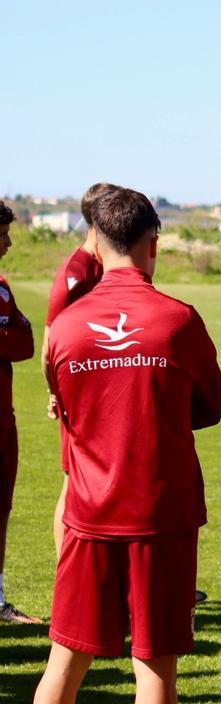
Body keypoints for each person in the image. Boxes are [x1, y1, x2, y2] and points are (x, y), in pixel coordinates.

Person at [34, 188, 221, 703]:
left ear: (95, 246)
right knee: (155, 670)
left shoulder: (67, 326)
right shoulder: (179, 320)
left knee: (64, 663)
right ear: (153, 242)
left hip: (88, 514)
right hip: (160, 516)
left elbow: (65, 406)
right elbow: (209, 409)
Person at [41, 182, 115, 559]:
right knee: (72, 484)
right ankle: (63, 570)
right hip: (79, 397)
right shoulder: (76, 273)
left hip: (103, 392)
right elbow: (49, 346)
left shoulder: (102, 265)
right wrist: (56, 392)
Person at [0, 200, 36, 624]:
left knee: (2, 509)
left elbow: (24, 342)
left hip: (4, 418)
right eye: (2, 236)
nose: (9, 243)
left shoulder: (4, 286)